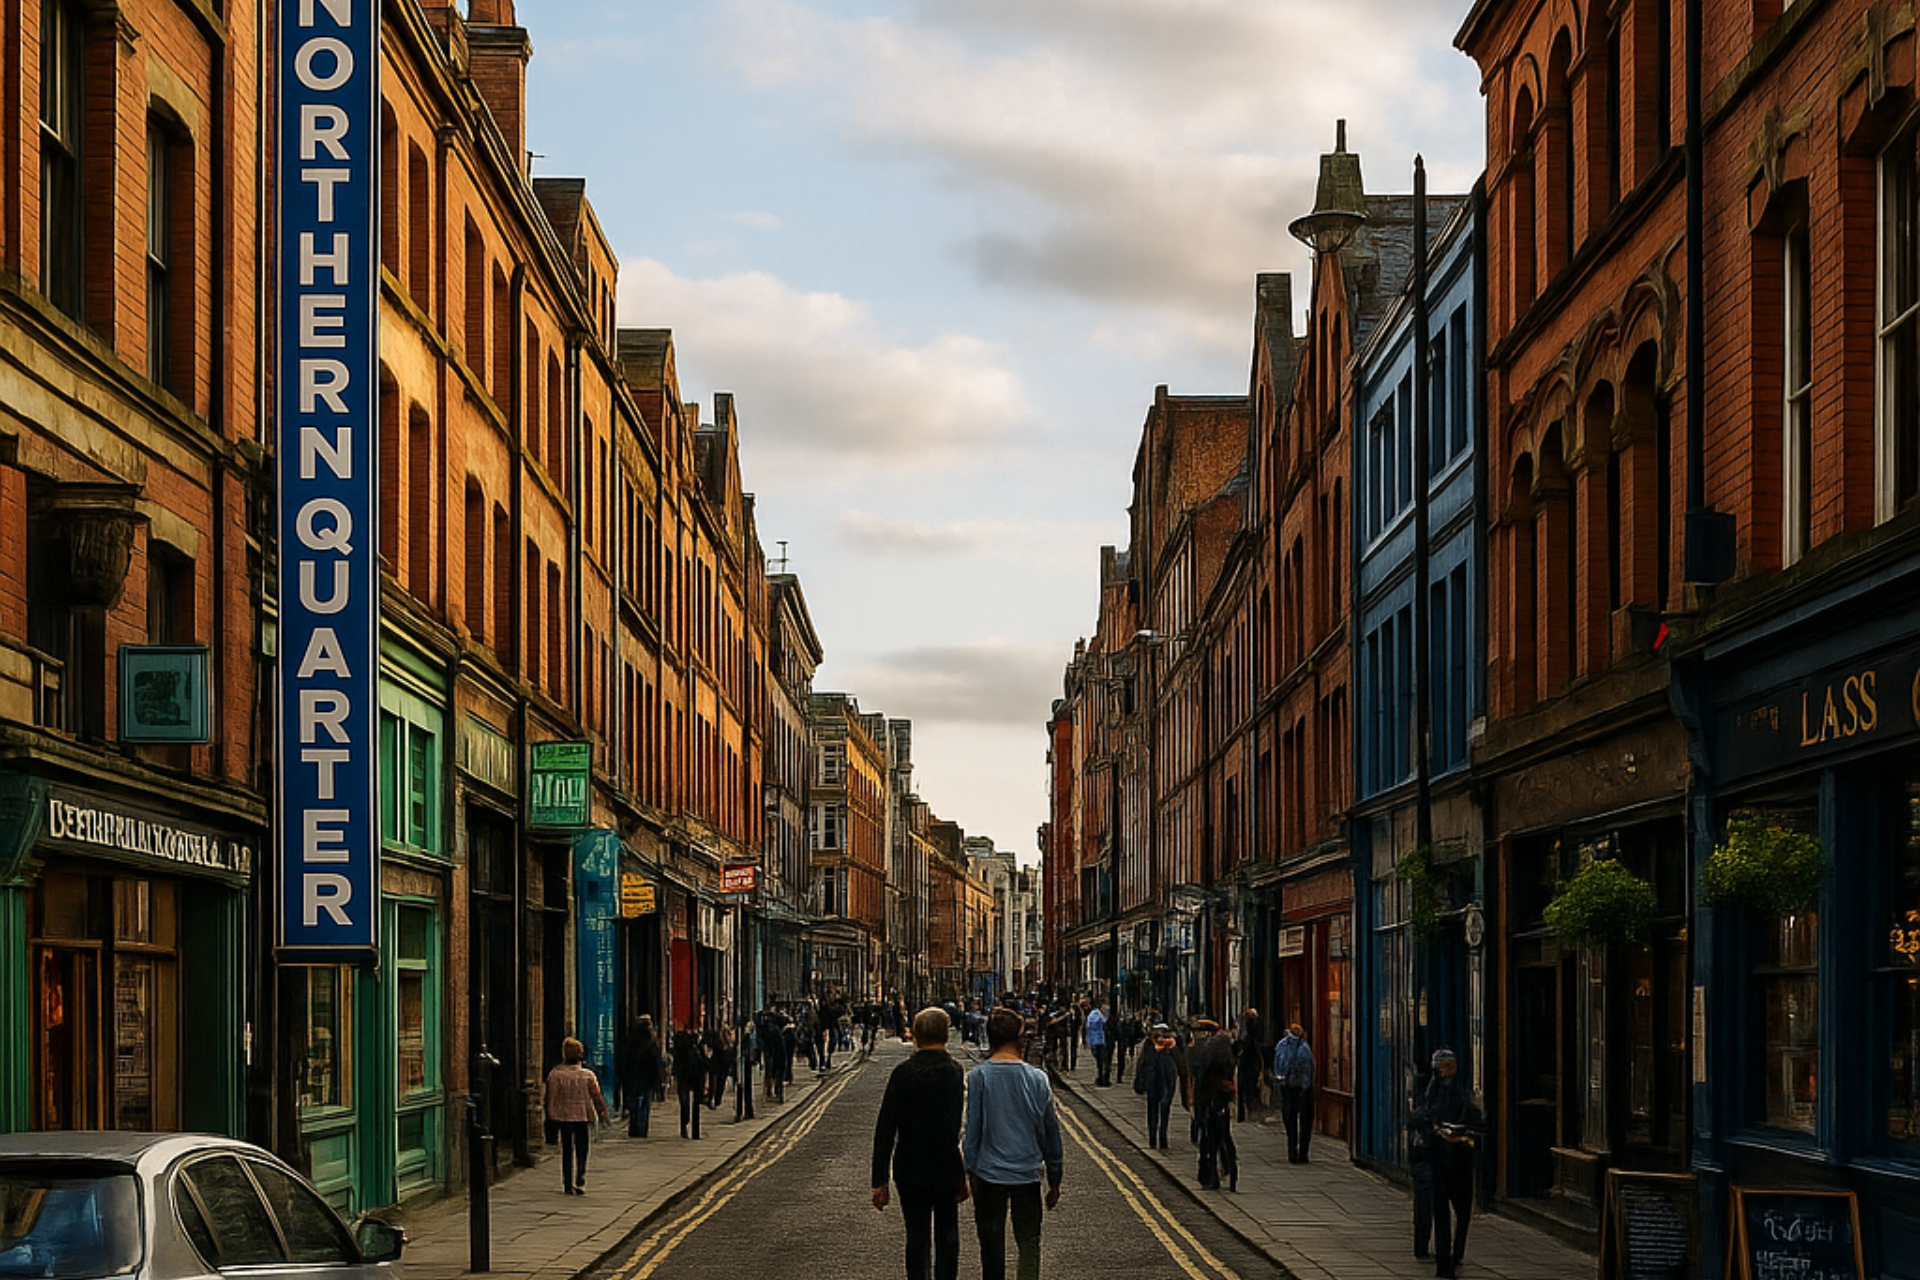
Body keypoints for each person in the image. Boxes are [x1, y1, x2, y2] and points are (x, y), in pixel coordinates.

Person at [964, 1007, 1063, 1280]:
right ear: (1021, 1039)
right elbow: (1050, 1134)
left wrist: (968, 1170)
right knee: (1029, 1242)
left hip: (988, 1176)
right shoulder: (1037, 1079)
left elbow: (973, 1131)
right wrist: (1054, 1179)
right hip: (1027, 1175)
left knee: (991, 1245)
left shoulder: (979, 1077)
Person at [871, 1008, 969, 1280]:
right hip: (945, 1168)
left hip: (910, 1169)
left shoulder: (903, 1073)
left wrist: (880, 1179)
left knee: (917, 1236)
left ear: (915, 1036)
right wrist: (961, 1174)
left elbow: (885, 1128)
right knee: (948, 1233)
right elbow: (953, 1129)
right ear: (946, 1034)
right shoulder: (954, 1071)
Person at [1415, 1048, 1482, 1279]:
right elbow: (1422, 1116)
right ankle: (1444, 1264)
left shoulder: (1462, 1090)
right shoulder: (1431, 1088)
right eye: (1444, 1066)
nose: (1447, 1070)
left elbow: (1474, 1116)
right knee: (1442, 1212)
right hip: (1438, 1156)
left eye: (1451, 1065)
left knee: (1462, 1212)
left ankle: (1455, 1255)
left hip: (1460, 1156)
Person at [543, 1037, 607, 1195]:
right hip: (583, 1115)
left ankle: (567, 1183)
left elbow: (550, 1097)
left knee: (566, 1149)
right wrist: (601, 1110)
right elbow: (596, 1095)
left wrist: (550, 1114)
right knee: (582, 1148)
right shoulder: (588, 1075)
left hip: (563, 1116)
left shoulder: (555, 1075)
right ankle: (580, 1176)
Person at [1189, 1018, 1238, 1191]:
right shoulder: (1225, 1050)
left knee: (1208, 1139)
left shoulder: (1201, 1050)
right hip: (1221, 1100)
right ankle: (1229, 1168)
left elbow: (1197, 1075)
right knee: (1223, 1136)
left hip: (1208, 1100)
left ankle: (1210, 1176)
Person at [1272, 1020, 1316, 1163]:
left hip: (1287, 1087)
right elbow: (1309, 1068)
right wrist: (1307, 1085)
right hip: (1303, 1089)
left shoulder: (1281, 1045)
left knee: (1290, 1120)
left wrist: (1280, 1080)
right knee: (1305, 1122)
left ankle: (1292, 1151)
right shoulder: (1305, 1047)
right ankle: (1303, 1152)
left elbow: (1277, 1065)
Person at [1133, 1022, 1180, 1149]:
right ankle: (1153, 1138)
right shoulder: (1149, 1046)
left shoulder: (1172, 1046)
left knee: (1164, 1109)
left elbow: (1181, 1064)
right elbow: (1141, 1063)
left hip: (1167, 1083)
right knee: (1152, 1111)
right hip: (1152, 1082)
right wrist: (1139, 1081)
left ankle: (1163, 1138)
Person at [622, 1015, 665, 1138]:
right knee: (645, 1104)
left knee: (635, 1103)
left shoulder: (632, 1039)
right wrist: (658, 1081)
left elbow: (627, 1060)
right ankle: (642, 1129)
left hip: (634, 1077)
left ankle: (634, 1128)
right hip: (647, 1078)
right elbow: (655, 1062)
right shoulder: (651, 1040)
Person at [671, 1022, 708, 1139]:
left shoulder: (679, 1050)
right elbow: (705, 1064)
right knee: (695, 1105)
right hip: (696, 1078)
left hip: (683, 1078)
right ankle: (695, 1132)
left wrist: (675, 1075)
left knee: (684, 1104)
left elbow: (676, 1065)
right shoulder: (697, 1048)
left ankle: (684, 1126)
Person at [1234, 1008, 1266, 1123]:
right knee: (1252, 1088)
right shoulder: (1256, 1035)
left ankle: (1244, 1113)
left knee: (1245, 1088)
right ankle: (1251, 1112)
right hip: (1252, 1062)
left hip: (1245, 1062)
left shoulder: (1244, 1035)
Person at [1085, 1000, 1110, 1086]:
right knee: (1101, 1061)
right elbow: (1091, 1025)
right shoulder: (1095, 1015)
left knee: (1102, 1061)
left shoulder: (1099, 1015)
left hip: (1100, 1041)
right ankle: (1101, 1079)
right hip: (1096, 1041)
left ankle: (1102, 1079)